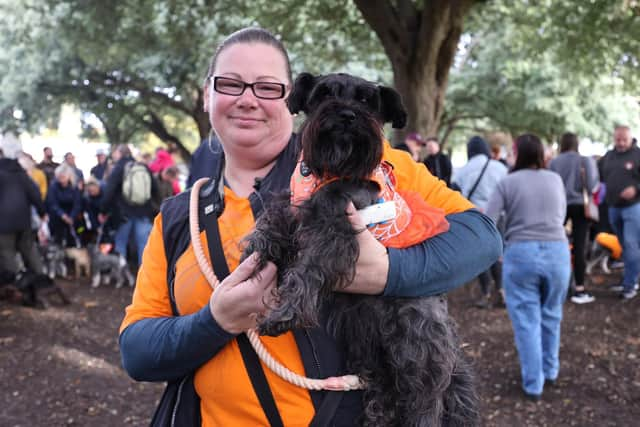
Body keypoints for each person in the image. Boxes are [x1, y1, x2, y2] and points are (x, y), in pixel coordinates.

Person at [119, 27, 501, 426]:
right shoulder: (181, 216)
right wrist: (215, 321)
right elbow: (137, 352)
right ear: (207, 95)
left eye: (266, 87)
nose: (247, 99)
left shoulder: (378, 168)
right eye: (230, 84)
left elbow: (483, 238)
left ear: (289, 99)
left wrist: (387, 273)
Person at [486, 133, 570, 401]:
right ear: (541, 154)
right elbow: (563, 214)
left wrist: (498, 249)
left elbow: (489, 219)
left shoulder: (508, 182)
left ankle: (534, 384)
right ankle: (551, 370)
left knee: (526, 321)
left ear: (518, 153)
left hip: (521, 253)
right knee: (552, 314)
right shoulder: (555, 179)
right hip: (557, 251)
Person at [452, 135, 508, 307]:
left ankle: (486, 293)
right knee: (499, 253)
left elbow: (455, 192)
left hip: (475, 216)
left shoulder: (463, 170)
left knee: (481, 254)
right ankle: (502, 290)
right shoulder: (499, 167)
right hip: (498, 215)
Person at [549, 132, 599, 304]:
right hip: (580, 206)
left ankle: (556, 284)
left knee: (555, 243)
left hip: (559, 205)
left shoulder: (555, 162)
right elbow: (593, 185)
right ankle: (579, 287)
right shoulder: (585, 161)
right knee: (579, 246)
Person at [598, 125, 640, 300]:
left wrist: (636, 189)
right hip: (613, 207)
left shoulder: (638, 155)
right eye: (618, 140)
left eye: (624, 140)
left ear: (631, 138)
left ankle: (630, 285)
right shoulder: (609, 156)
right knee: (624, 247)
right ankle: (629, 279)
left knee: (631, 245)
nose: (621, 143)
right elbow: (599, 174)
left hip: (633, 206)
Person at [99, 144, 158, 266]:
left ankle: (122, 274)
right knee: (144, 244)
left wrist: (103, 211)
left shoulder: (119, 167)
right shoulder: (143, 167)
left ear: (120, 153)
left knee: (121, 243)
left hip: (123, 213)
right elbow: (155, 189)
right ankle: (145, 277)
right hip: (144, 212)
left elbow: (109, 191)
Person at [0, 134, 47, 277]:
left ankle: (14, 285)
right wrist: (42, 212)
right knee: (29, 249)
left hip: (3, 224)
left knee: (7, 253)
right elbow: (35, 194)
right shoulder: (21, 173)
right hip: (24, 221)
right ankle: (41, 280)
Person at [45, 163, 83, 247]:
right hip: (58, 216)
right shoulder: (53, 187)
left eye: (63, 177)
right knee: (57, 240)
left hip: (72, 217)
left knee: (72, 239)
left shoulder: (74, 187)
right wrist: (63, 215)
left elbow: (77, 204)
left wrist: (72, 217)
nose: (61, 180)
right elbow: (52, 203)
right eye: (59, 177)